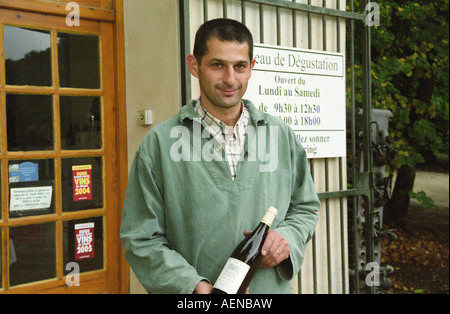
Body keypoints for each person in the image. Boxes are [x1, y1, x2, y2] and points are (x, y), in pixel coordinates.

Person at [120, 18, 320, 294]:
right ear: (194, 65)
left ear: (251, 68)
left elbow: (305, 208)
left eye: (240, 66)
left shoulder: (280, 136)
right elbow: (141, 238)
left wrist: (286, 238)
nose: (230, 79)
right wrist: (193, 287)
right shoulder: (159, 144)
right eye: (217, 65)